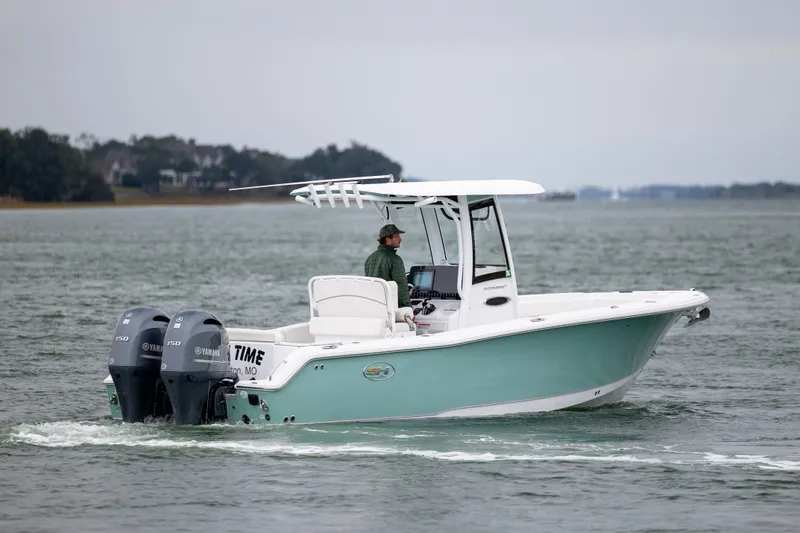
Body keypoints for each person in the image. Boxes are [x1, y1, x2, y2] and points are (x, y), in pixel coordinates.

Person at [364, 223, 411, 308]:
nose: (400, 239)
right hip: (390, 308)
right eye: (397, 236)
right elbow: (401, 286)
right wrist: (407, 308)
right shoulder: (395, 260)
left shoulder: (370, 258)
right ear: (388, 240)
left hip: (373, 306)